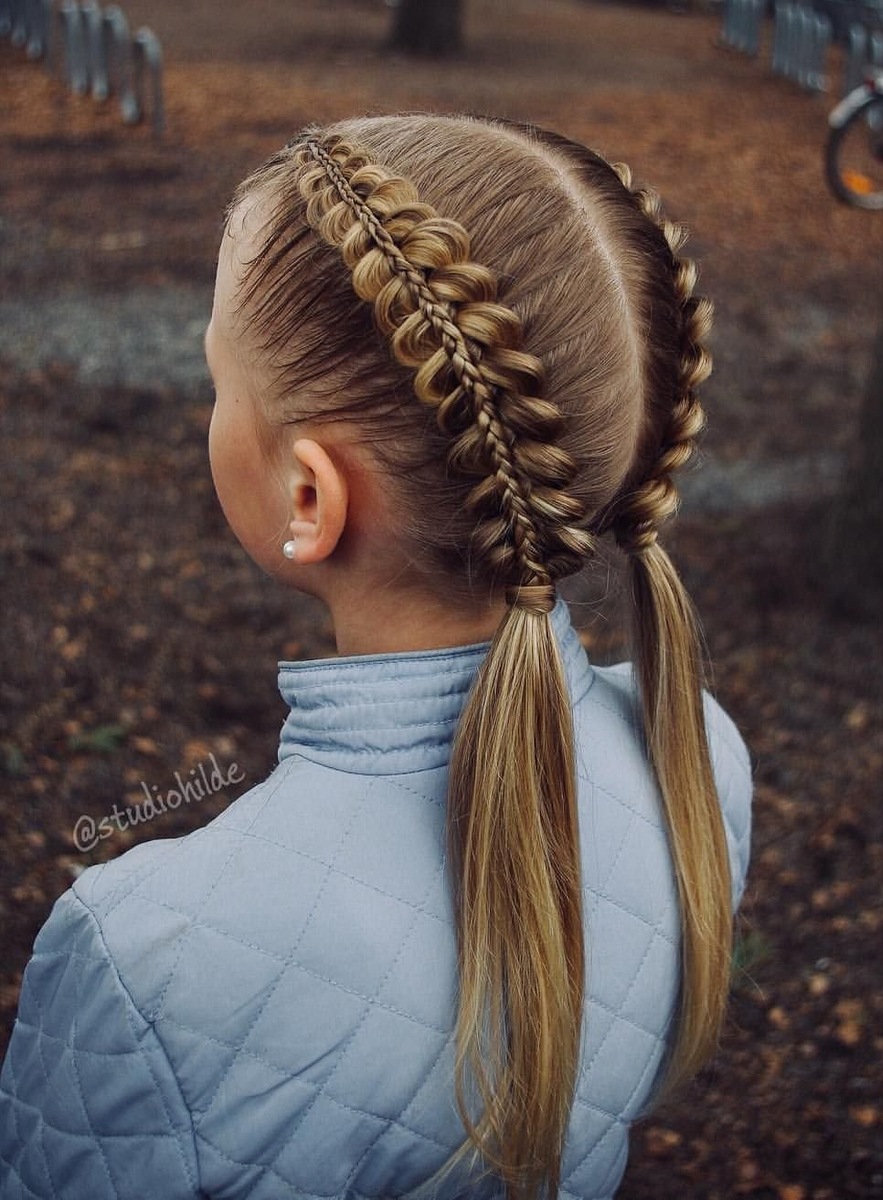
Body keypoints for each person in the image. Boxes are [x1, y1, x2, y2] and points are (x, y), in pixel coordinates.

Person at [0, 115, 752, 1199]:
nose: (212, 406)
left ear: (310, 496)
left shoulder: (145, 967)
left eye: (221, 382)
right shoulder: (695, 762)